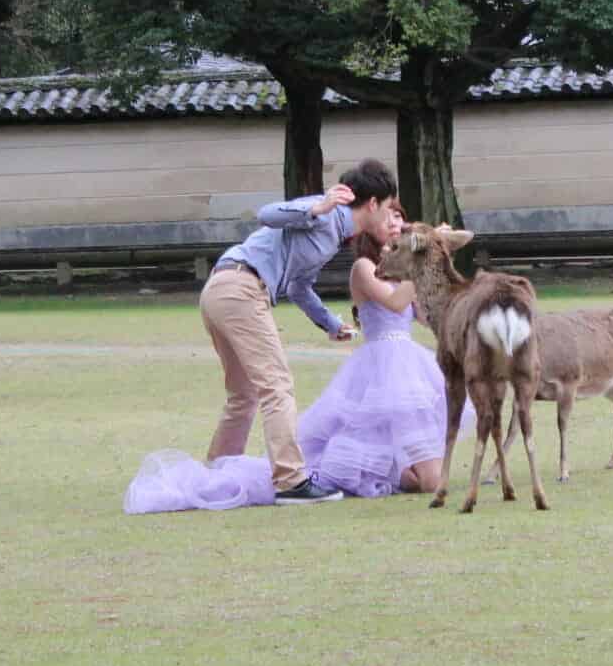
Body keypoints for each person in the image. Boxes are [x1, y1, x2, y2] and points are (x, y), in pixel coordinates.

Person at [125, 205, 469, 514]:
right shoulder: (365, 267)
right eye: (389, 215)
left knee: (427, 471)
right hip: (380, 364)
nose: (396, 223)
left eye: (400, 218)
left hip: (410, 363)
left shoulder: (404, 273)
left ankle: (381, 469)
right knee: (264, 391)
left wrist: (436, 261)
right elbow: (394, 303)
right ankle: (295, 476)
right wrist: (424, 258)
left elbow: (425, 314)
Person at [191, 159, 399, 505]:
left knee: (244, 395)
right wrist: (317, 207)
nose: (391, 216)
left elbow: (299, 287)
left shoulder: (335, 235)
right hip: (241, 288)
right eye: (389, 207)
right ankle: (291, 481)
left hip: (225, 288)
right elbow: (267, 214)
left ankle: (218, 475)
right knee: (277, 387)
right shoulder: (327, 212)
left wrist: (331, 324)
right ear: (373, 203)